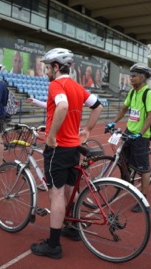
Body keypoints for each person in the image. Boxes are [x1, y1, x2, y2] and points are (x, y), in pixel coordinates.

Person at [30, 48, 103, 259]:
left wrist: (51, 136)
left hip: (59, 148)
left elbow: (62, 107)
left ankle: (53, 245)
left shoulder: (56, 85)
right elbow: (97, 107)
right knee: (71, 189)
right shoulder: (78, 87)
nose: (46, 72)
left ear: (55, 66)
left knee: (56, 194)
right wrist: (87, 129)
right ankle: (71, 227)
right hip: (73, 148)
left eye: (47, 67)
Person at [105, 63, 151, 215]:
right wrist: (113, 122)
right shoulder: (132, 93)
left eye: (133, 76)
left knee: (143, 169)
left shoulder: (148, 93)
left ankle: (143, 200)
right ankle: (126, 180)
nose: (130, 78)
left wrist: (140, 133)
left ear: (142, 77)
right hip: (129, 131)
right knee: (122, 158)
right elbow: (124, 109)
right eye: (130, 76)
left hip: (141, 136)